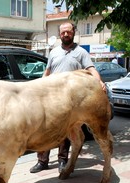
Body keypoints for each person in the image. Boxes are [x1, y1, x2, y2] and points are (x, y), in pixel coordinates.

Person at [30, 22, 106, 174]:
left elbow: (91, 69)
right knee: (45, 128)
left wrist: (100, 82)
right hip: (51, 97)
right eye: (63, 32)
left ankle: (62, 160)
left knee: (66, 129)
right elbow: (47, 72)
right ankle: (42, 161)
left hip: (70, 100)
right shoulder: (54, 52)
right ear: (60, 34)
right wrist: (37, 87)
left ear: (73, 33)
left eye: (68, 32)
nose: (65, 34)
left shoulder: (81, 52)